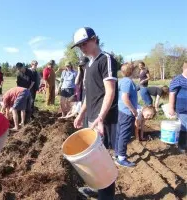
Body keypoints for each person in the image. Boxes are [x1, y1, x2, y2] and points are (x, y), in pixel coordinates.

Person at [72, 27, 118, 200]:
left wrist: (100, 118)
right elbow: (88, 95)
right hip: (91, 118)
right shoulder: (88, 64)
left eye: (84, 43)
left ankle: (106, 196)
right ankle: (98, 190)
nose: (82, 48)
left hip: (102, 119)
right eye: (79, 46)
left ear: (94, 39)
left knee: (102, 161)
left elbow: (110, 91)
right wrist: (80, 114)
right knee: (92, 160)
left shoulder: (105, 59)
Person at [115, 63, 137, 168]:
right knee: (124, 135)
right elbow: (125, 98)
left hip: (121, 111)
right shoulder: (128, 82)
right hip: (127, 112)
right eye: (135, 70)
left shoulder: (122, 81)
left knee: (119, 133)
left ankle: (117, 154)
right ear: (132, 71)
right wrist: (133, 110)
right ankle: (122, 158)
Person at [169, 60, 187, 153]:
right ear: (185, 68)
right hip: (182, 107)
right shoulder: (178, 79)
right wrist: (171, 108)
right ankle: (182, 146)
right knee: (184, 126)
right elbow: (172, 93)